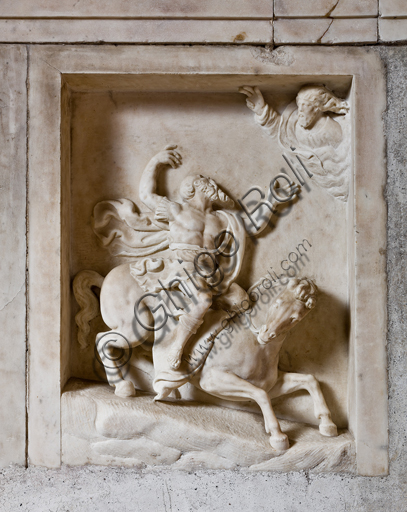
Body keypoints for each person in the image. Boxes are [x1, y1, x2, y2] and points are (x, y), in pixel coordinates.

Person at [239, 85, 350, 201]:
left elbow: (341, 164)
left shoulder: (332, 131)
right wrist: (261, 110)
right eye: (299, 104)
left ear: (317, 108)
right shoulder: (294, 121)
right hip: (296, 178)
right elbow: (280, 133)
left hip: (320, 189)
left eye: (305, 105)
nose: (300, 109)